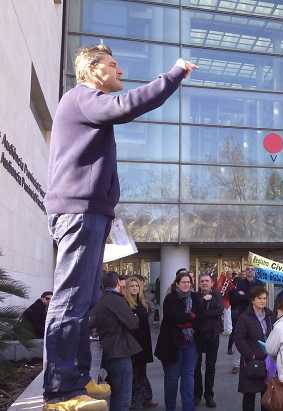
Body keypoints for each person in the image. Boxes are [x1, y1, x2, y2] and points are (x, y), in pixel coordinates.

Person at [43, 43, 196, 410]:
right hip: (80, 212)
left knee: (84, 300)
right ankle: (60, 391)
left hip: (91, 213)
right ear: (93, 70)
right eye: (113, 65)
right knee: (69, 301)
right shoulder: (81, 97)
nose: (120, 72)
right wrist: (173, 74)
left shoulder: (85, 103)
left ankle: (76, 379)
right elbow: (127, 105)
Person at [90, 271, 141, 411]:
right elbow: (132, 323)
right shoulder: (116, 300)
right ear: (118, 283)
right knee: (123, 396)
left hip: (106, 351)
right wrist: (135, 316)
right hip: (120, 352)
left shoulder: (100, 300)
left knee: (115, 393)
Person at [154, 271, 201, 411]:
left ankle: (188, 407)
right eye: (183, 282)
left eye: (188, 282)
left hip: (191, 343)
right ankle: (171, 407)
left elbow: (200, 317)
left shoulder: (195, 297)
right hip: (172, 345)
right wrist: (190, 317)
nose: (186, 284)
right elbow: (174, 317)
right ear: (177, 284)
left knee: (188, 378)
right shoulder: (170, 298)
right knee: (172, 380)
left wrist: (187, 319)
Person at [234, 286, 274, 411]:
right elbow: (239, 339)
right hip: (251, 360)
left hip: (267, 360)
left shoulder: (269, 315)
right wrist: (250, 355)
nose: (263, 301)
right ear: (252, 300)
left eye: (264, 298)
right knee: (249, 395)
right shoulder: (245, 317)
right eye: (259, 298)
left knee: (266, 395)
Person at [124, 276, 157, 410]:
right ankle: (136, 402)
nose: (135, 288)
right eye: (132, 286)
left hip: (143, 343)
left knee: (141, 373)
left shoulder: (143, 303)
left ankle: (145, 398)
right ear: (127, 288)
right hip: (132, 344)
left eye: (137, 286)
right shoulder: (125, 303)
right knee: (134, 374)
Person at [194, 273, 224, 408]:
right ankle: (197, 395)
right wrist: (204, 302)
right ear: (199, 284)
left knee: (210, 367)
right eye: (202, 281)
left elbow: (219, 311)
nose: (204, 283)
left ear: (212, 283)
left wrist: (203, 313)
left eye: (207, 281)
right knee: (196, 367)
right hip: (198, 335)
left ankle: (209, 395)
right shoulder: (195, 296)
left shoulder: (217, 295)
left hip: (212, 335)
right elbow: (194, 313)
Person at [230, 270, 250, 370]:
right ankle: (236, 364)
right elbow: (236, 297)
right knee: (239, 338)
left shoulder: (259, 283)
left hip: (256, 315)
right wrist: (249, 297)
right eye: (248, 270)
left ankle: (252, 362)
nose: (250, 272)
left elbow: (258, 298)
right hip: (241, 315)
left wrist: (245, 295)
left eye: (252, 270)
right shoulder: (240, 283)